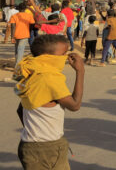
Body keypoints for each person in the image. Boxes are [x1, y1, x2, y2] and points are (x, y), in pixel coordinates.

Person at [15, 35, 85, 170]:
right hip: (48, 148)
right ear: (48, 58)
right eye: (63, 54)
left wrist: (34, 129)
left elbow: (20, 109)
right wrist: (80, 71)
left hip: (28, 145)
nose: (66, 58)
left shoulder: (32, 71)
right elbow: (75, 105)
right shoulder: (49, 79)